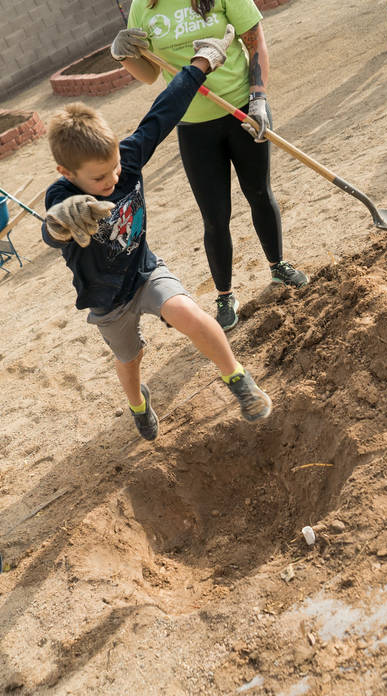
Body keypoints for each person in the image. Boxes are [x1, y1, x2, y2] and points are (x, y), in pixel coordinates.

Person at [41, 26, 273, 440]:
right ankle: (138, 403)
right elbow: (52, 232)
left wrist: (202, 62)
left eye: (114, 168)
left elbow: (163, 111)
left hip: (145, 273)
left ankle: (238, 380)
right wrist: (60, 220)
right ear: (67, 173)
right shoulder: (62, 195)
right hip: (106, 297)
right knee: (130, 360)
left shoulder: (125, 161)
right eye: (98, 179)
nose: (113, 179)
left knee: (189, 313)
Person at [112, 0, 308, 332]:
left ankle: (278, 265)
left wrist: (259, 97)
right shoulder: (143, 6)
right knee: (214, 217)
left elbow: (254, 38)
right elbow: (150, 75)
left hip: (243, 111)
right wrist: (123, 56)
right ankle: (224, 294)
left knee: (259, 192)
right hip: (192, 126)